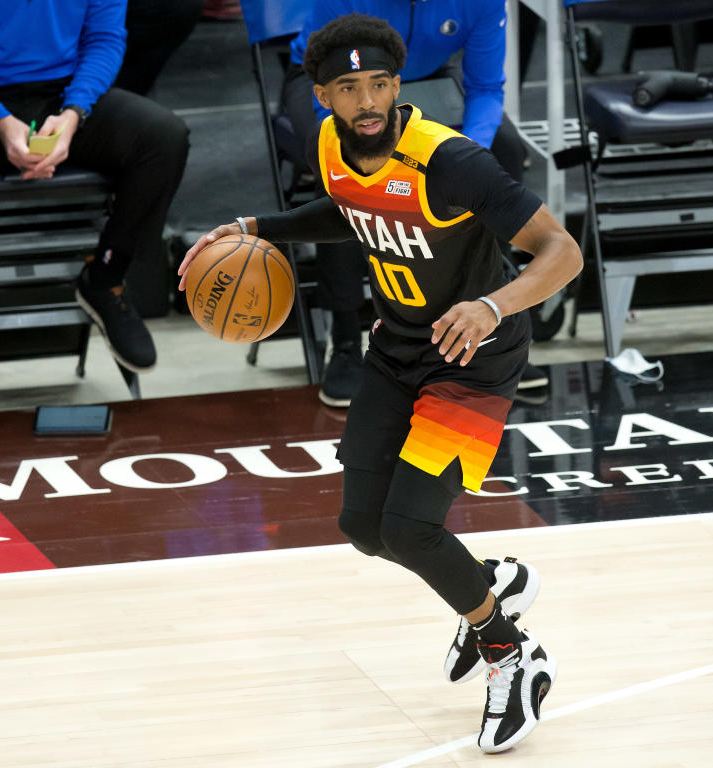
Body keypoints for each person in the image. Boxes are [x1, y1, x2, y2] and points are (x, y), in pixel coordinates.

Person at [179, 14, 582, 753]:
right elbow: (350, 210)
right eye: (348, 88)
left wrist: (493, 303)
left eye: (380, 84)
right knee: (364, 528)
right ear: (322, 94)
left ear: (399, 85)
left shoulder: (451, 161)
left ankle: (512, 657)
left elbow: (562, 251)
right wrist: (254, 228)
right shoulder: (327, 143)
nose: (367, 101)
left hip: (473, 355)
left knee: (410, 528)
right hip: (398, 348)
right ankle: (487, 584)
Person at [279, 0, 547, 408]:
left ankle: (490, 323)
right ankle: (346, 339)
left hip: (425, 80)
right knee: (342, 175)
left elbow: (486, 88)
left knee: (504, 153)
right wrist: (362, 148)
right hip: (339, 82)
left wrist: (467, 161)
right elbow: (339, 101)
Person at [0, 0, 190, 385]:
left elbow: (105, 39)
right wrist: (0, 121)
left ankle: (105, 279)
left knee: (163, 138)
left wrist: (74, 112)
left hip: (61, 95)